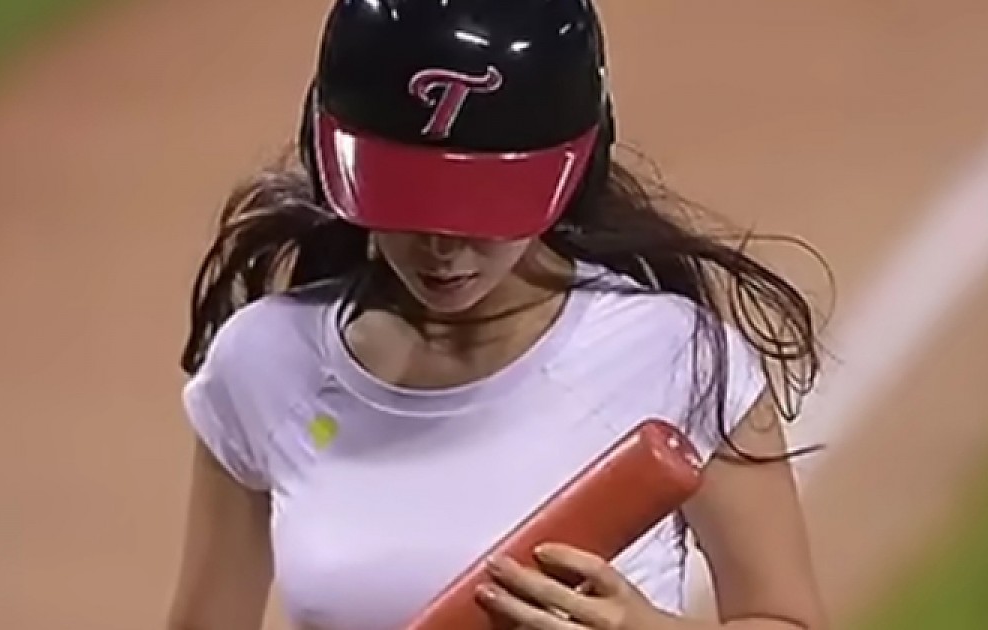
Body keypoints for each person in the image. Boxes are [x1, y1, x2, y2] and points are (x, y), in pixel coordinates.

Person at [167, 0, 829, 628]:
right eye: (406, 197)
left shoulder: (676, 355)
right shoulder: (264, 363)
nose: (443, 245)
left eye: (485, 202)